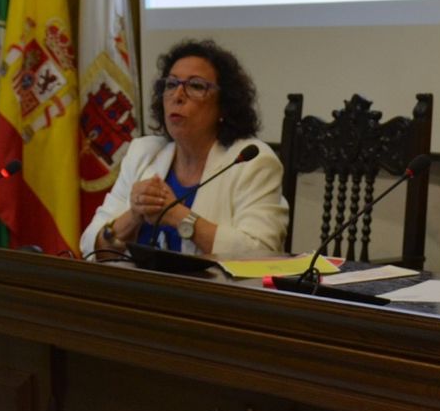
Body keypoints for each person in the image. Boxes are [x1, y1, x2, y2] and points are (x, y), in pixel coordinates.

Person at [82, 38, 288, 257]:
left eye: (196, 86)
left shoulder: (251, 161)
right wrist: (132, 216)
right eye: (171, 85)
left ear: (224, 105)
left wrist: (178, 217)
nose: (177, 96)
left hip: (208, 291)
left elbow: (261, 253)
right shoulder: (143, 153)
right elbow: (90, 246)